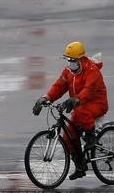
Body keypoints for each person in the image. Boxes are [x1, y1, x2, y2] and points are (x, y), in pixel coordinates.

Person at [32, 41, 109, 180]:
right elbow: (59, 86)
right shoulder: (68, 72)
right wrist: (46, 98)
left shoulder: (92, 71)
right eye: (68, 60)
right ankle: (80, 166)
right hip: (79, 105)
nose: (70, 63)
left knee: (80, 111)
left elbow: (89, 90)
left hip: (97, 104)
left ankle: (91, 136)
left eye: (73, 60)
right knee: (68, 137)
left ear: (80, 59)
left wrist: (76, 100)